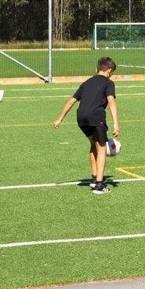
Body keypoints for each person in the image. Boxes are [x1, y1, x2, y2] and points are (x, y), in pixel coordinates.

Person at [53, 56, 121, 193]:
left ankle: (94, 178)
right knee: (102, 148)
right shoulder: (108, 83)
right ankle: (99, 185)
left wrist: (60, 118)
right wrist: (116, 124)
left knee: (93, 144)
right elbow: (111, 102)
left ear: (96, 69)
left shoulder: (86, 83)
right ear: (109, 71)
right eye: (112, 73)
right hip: (96, 117)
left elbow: (71, 101)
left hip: (81, 118)